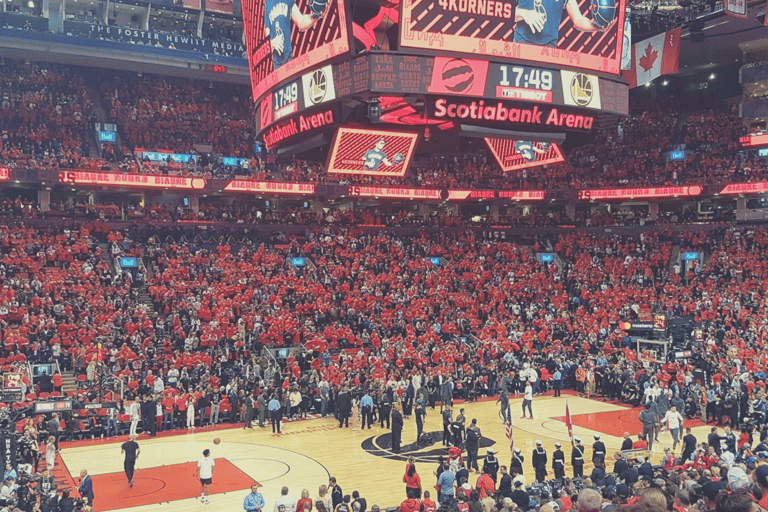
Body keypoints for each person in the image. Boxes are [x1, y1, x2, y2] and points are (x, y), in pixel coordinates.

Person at [264, 0, 322, 69]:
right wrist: (272, 42)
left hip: (289, 61)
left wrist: (317, 15)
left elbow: (301, 22)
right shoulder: (268, 4)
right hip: (277, 64)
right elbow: (266, 35)